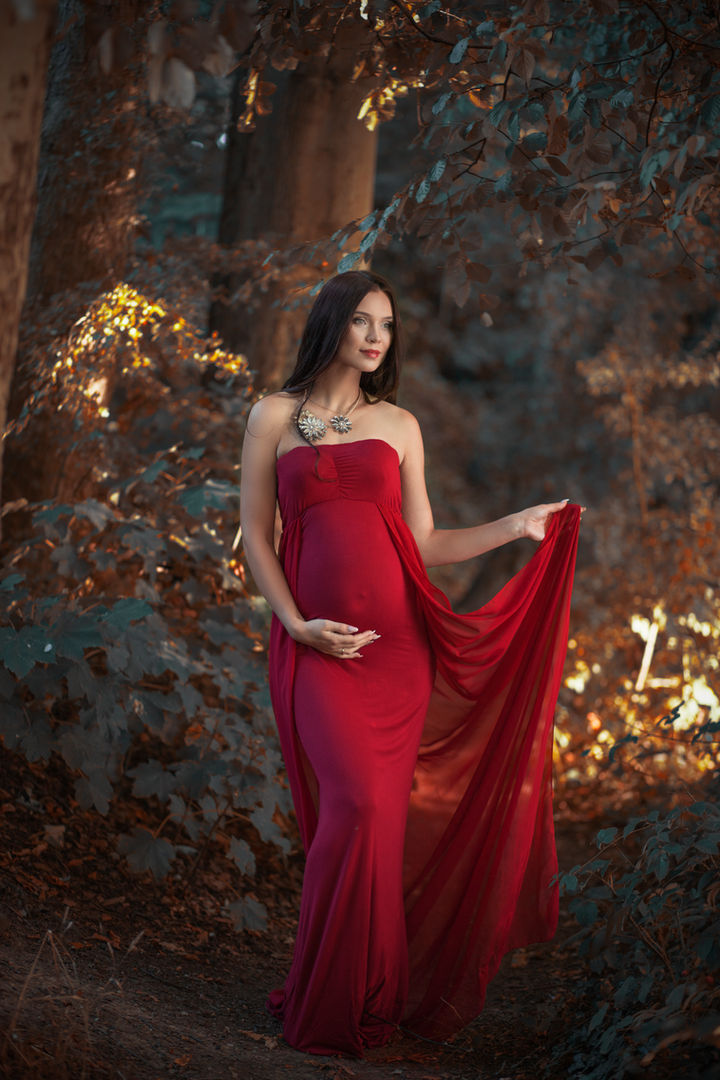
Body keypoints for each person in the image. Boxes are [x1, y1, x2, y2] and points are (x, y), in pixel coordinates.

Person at [240, 269, 582, 1058]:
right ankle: (328, 993)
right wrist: (295, 624)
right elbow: (258, 535)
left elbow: (424, 545)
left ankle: (365, 994)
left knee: (375, 822)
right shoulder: (272, 417)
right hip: (316, 643)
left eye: (386, 326)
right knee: (351, 809)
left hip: (397, 651)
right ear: (330, 324)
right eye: (361, 320)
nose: (374, 336)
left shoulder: (399, 425)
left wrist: (516, 523)